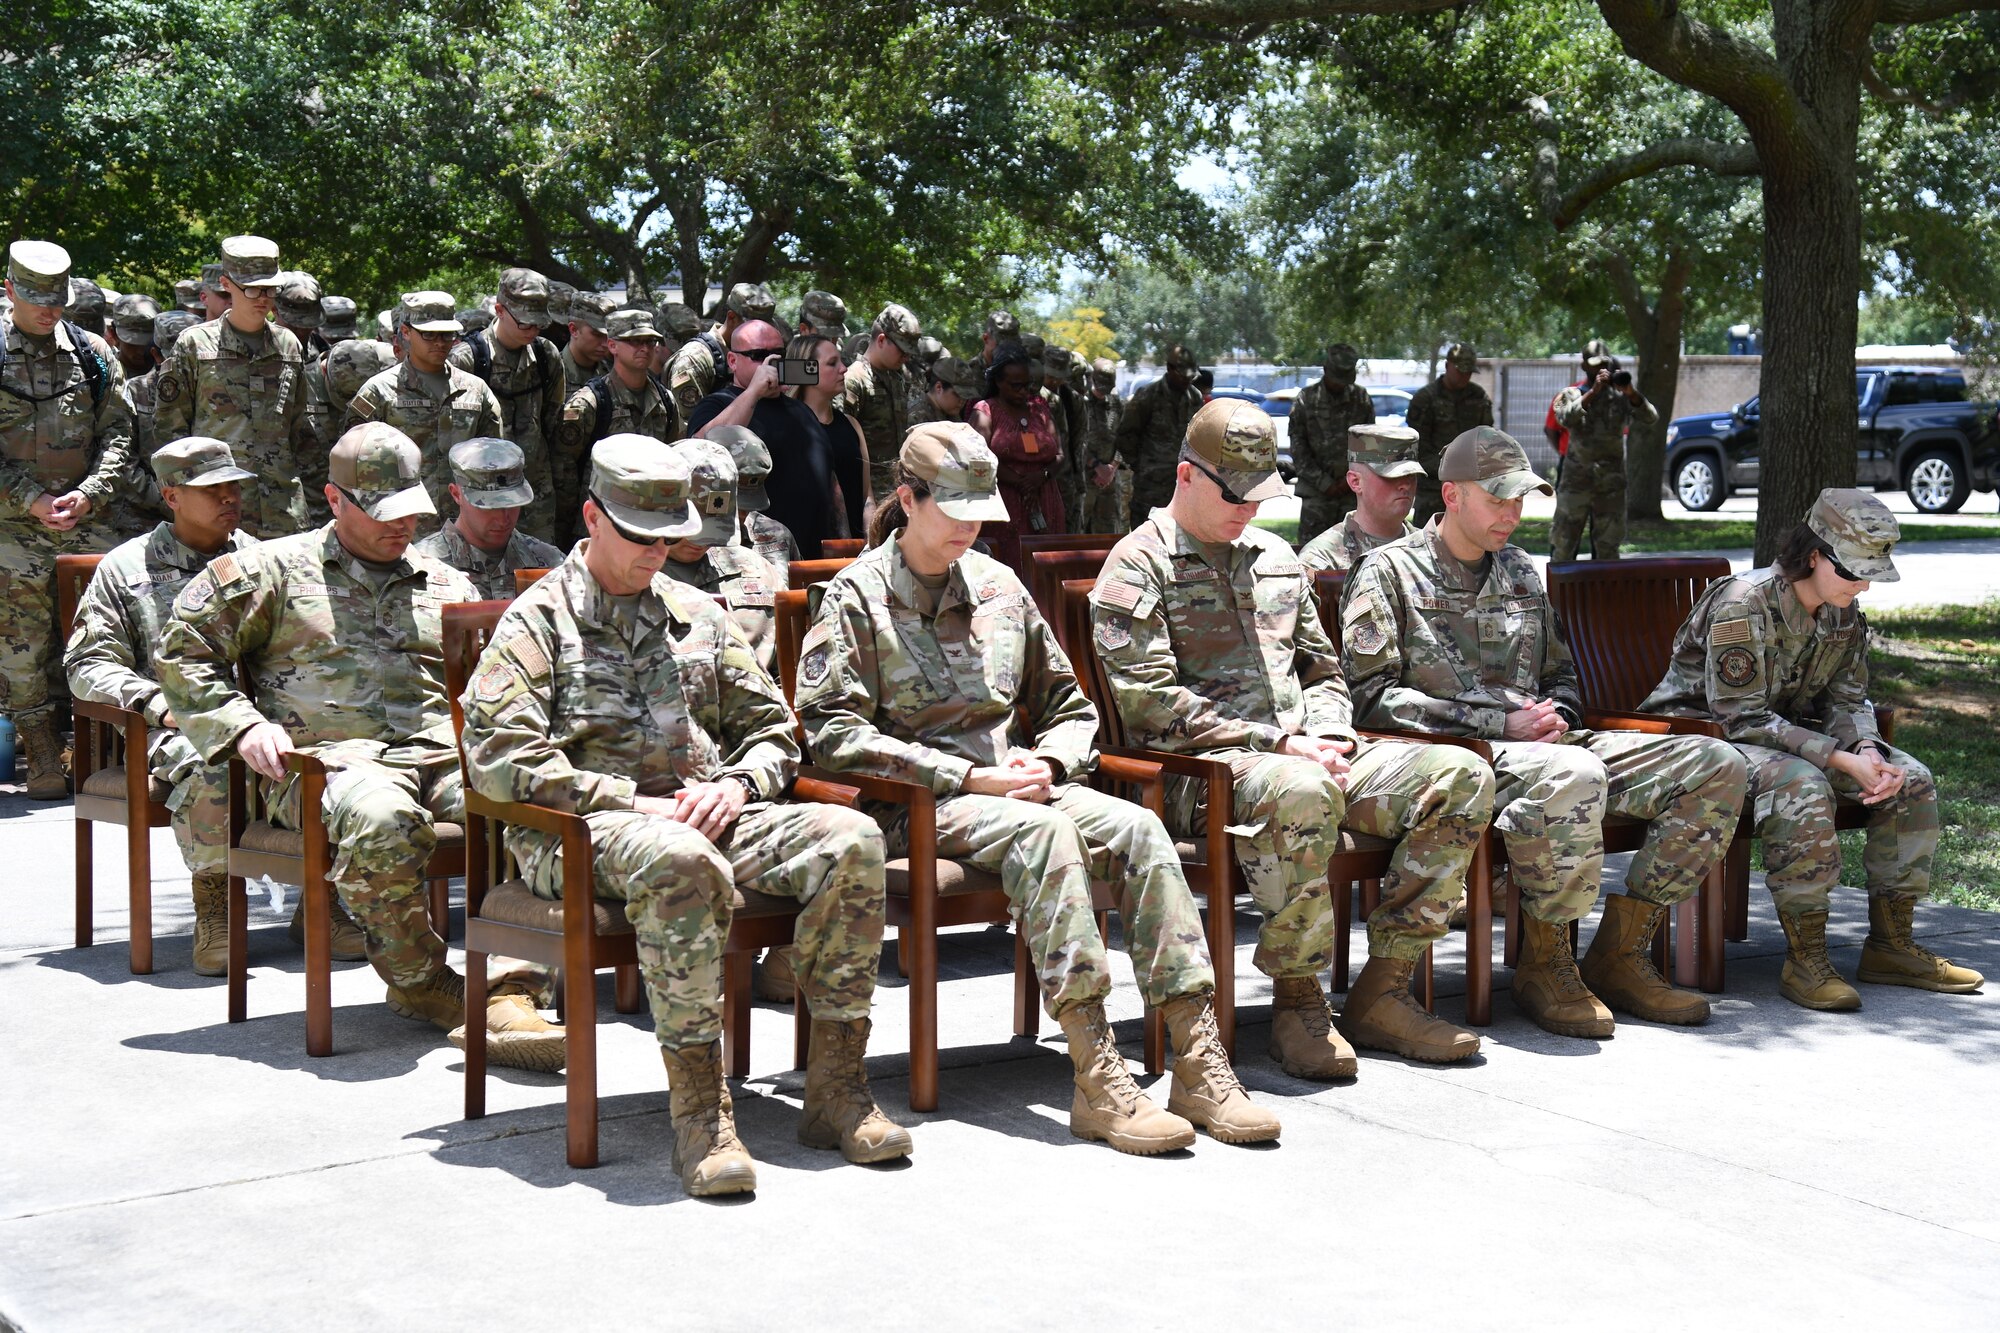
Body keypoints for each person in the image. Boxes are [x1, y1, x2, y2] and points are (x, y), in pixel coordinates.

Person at [797, 423, 1278, 1151]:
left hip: (1015, 787)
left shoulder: (997, 585)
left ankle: (1197, 1058)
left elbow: (1069, 706)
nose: (969, 526)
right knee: (1047, 833)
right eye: (951, 509)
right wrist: (964, 774)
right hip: (916, 803)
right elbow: (833, 733)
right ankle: (1096, 1071)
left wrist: (1049, 763)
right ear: (907, 498)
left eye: (978, 511)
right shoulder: (856, 597)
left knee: (1139, 829)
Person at [459, 438, 908, 1195]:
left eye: (669, 537)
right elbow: (499, 759)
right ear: (592, 516)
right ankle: (701, 1112)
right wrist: (627, 799)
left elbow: (775, 730)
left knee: (850, 837)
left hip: (706, 810)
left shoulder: (698, 613)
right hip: (578, 830)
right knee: (680, 858)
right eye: (640, 536)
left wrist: (735, 784)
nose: (657, 552)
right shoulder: (538, 621)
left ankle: (835, 1087)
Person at [1095, 401, 1494, 1068]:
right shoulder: (1138, 564)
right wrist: (1279, 745)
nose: (1250, 510)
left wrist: (1333, 731)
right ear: (1187, 476)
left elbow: (1321, 668)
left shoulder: (1276, 557)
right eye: (1237, 495)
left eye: (1262, 495)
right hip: (1201, 776)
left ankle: (1384, 988)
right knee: (1302, 788)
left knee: (1460, 776)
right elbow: (1151, 707)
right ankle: (1300, 1001)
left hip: (1308, 757)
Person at [156, 423, 564, 1071]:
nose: (400, 528)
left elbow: (501, 685)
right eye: (383, 514)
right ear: (334, 498)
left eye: (409, 512)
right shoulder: (272, 571)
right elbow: (181, 652)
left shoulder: (447, 583)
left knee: (535, 803)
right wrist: (241, 724)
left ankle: (509, 991)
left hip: (438, 760)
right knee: (380, 815)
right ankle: (422, 979)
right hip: (325, 768)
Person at [1342, 426, 1747, 1037]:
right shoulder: (1390, 572)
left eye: (1520, 499)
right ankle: (1547, 960)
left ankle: (1619, 950)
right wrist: (1497, 722)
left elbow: (1563, 675)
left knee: (1716, 763)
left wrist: (1559, 712)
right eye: (1498, 498)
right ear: (1451, 495)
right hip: (1456, 758)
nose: (1513, 513)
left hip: (1542, 747)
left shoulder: (1521, 573)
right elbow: (1370, 700)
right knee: (1575, 773)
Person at [1641, 489, 1981, 1009]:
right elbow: (1739, 715)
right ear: (1815, 555)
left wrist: (1865, 748)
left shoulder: (1842, 610)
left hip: (1781, 738)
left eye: (1872, 571)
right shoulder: (1744, 604)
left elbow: (1848, 696)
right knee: (1801, 782)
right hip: (1701, 742)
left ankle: (1891, 945)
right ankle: (1807, 959)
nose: (1864, 583)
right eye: (1855, 571)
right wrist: (1835, 757)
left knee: (1909, 779)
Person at [65, 439, 370, 971]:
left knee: (339, 759)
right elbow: (87, 663)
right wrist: (155, 701)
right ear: (172, 496)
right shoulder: (127, 569)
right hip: (173, 723)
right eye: (212, 489)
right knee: (216, 764)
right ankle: (216, 903)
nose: (229, 497)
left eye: (233, 486)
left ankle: (322, 900)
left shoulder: (263, 559)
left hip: (269, 714)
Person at [1, 240, 137, 797]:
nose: (47, 311)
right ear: (9, 290)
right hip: (11, 526)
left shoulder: (93, 354)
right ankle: (40, 754)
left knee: (104, 634)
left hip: (85, 518)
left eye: (55, 300)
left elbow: (120, 433)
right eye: (36, 300)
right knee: (21, 645)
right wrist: (28, 497)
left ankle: (101, 748)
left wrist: (89, 493)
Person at [154, 236, 321, 538]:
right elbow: (171, 431)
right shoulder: (195, 344)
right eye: (253, 288)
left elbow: (301, 430)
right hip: (215, 509)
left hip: (282, 511)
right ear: (226, 283)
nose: (263, 297)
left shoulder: (289, 345)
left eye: (270, 288)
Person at [343, 292, 505, 532]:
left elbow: (494, 458)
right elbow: (353, 464)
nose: (439, 342)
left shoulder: (476, 390)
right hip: (400, 528)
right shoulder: (379, 391)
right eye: (428, 334)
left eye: (447, 334)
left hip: (463, 527)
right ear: (406, 333)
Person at [688, 320, 846, 559]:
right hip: (757, 555)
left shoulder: (801, 411)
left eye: (778, 354)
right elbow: (701, 450)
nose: (772, 363)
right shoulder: (718, 404)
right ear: (732, 361)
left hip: (813, 556)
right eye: (759, 355)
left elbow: (830, 481)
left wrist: (843, 544)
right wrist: (754, 391)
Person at [448, 268, 567, 544]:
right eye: (525, 323)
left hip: (535, 492)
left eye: (539, 324)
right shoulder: (467, 359)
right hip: (481, 495)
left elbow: (552, 418)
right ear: (500, 310)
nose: (533, 331)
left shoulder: (546, 355)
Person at [660, 440, 784, 675]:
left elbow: (789, 663)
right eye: (691, 529)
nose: (700, 543)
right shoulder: (631, 574)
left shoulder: (758, 571)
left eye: (712, 530)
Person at [410, 438, 564, 600]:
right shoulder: (421, 568)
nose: (503, 518)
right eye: (489, 506)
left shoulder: (550, 562)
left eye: (512, 504)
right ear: (456, 494)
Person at [1549, 353, 1655, 562]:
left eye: (1605, 367)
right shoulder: (1570, 394)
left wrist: (1630, 391)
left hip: (1610, 486)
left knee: (1608, 548)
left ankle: (1605, 594)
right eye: (1596, 367)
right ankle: (1560, 593)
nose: (1601, 372)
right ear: (1584, 367)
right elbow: (1565, 418)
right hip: (1576, 484)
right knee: (1564, 544)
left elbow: (1650, 417)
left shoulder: (1620, 399)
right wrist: (1594, 392)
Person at [969, 346, 1063, 571]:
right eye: (1016, 386)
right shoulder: (985, 411)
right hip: (1003, 506)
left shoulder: (1039, 408)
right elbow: (978, 461)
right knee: (1008, 568)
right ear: (999, 382)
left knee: (1044, 570)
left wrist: (1041, 477)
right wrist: (1019, 482)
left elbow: (1060, 455)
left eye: (1028, 385)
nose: (1023, 392)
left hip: (1044, 500)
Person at [1298, 423, 1422, 573]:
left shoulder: (1434, 550)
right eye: (1392, 475)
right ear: (1355, 482)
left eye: (1411, 475)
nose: (1405, 485)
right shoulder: (1322, 560)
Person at [834, 304, 921, 507]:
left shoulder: (898, 378)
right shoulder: (854, 380)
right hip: (867, 496)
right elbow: (842, 444)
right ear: (881, 340)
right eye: (902, 350)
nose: (907, 357)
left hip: (897, 491)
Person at [1289, 343, 1377, 544]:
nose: (1340, 384)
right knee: (1312, 557)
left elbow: (1369, 445)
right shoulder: (1306, 400)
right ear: (1326, 369)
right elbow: (1298, 448)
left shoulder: (1360, 398)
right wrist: (1325, 483)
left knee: (1355, 555)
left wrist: (1351, 480)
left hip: (1351, 492)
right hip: (1316, 495)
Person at [785, 331, 866, 538]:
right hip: (799, 554)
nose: (844, 369)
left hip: (851, 552)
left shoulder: (852, 425)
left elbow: (868, 500)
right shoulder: (783, 427)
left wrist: (870, 545)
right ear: (806, 370)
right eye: (832, 363)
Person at [1405, 343, 1494, 527]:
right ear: (1447, 366)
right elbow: (1418, 447)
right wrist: (1449, 470)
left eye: (1468, 371)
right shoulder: (1426, 399)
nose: (1464, 376)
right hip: (1433, 487)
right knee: (1428, 542)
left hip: (1470, 486)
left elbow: (1486, 440)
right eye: (1460, 370)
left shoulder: (1478, 398)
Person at [1115, 344, 1203, 523]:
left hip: (1184, 486)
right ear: (1170, 369)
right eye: (1182, 375)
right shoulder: (1148, 396)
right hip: (1150, 489)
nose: (1187, 380)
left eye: (1190, 376)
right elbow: (1126, 435)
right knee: (1147, 539)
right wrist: (1140, 465)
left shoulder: (1195, 398)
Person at [667, 282, 774, 417]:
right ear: (731, 318)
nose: (760, 331)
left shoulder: (761, 353)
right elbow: (692, 425)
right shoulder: (694, 359)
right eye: (752, 325)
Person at [709, 423, 799, 579]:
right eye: (736, 502)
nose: (744, 512)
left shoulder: (777, 534)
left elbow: (798, 594)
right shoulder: (684, 543)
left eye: (748, 503)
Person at [1078, 357, 1128, 535]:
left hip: (1109, 482)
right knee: (1080, 531)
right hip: (1085, 479)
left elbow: (1124, 438)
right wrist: (1096, 466)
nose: (1103, 392)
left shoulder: (1117, 404)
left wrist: (1111, 469)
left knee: (1107, 533)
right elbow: (1075, 441)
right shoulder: (1080, 403)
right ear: (1092, 379)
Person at [560, 291, 615, 393]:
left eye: (609, 336)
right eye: (597, 335)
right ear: (574, 330)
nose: (605, 344)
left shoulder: (613, 373)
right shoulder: (551, 373)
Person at [908, 354, 981, 430]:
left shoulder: (950, 412)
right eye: (958, 395)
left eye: (966, 396)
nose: (962, 401)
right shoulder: (916, 416)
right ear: (939, 387)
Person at [107, 294, 161, 379]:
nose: (140, 350)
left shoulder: (167, 374)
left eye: (147, 342)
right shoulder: (106, 375)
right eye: (133, 343)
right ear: (114, 334)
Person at [273, 271, 325, 351]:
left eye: (309, 324)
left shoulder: (320, 346)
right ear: (274, 309)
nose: (302, 332)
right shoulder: (259, 348)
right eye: (294, 325)